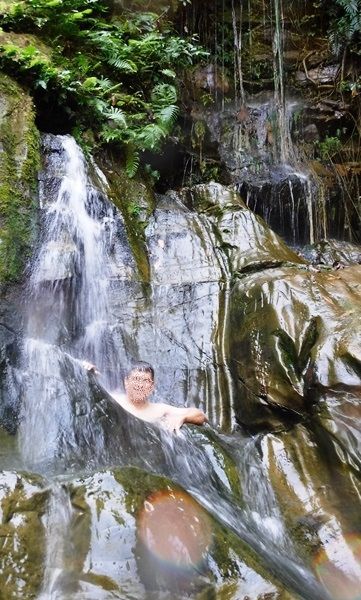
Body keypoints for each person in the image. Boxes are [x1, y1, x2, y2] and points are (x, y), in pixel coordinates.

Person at [83, 360, 208, 433]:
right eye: (136, 379)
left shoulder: (160, 409)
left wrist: (183, 418)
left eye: (145, 381)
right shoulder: (115, 399)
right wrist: (88, 372)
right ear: (126, 382)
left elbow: (201, 416)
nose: (140, 385)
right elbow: (94, 392)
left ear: (152, 386)